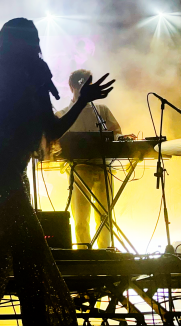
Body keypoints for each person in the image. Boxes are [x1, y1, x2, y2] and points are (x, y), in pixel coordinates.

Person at [0, 18, 114, 325]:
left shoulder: (35, 75)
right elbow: (1, 115)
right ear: (10, 43)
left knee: (9, 252)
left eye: (33, 40)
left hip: (12, 170)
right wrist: (30, 85)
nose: (31, 46)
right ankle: (39, 319)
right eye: (25, 40)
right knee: (30, 249)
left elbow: (53, 128)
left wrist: (81, 101)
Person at [55, 69, 122, 250]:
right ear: (72, 86)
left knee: (105, 216)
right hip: (79, 170)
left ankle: (105, 253)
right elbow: (55, 145)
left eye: (87, 83)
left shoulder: (102, 110)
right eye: (80, 84)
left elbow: (116, 133)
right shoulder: (62, 115)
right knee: (80, 217)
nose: (83, 87)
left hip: (103, 167)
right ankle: (84, 253)